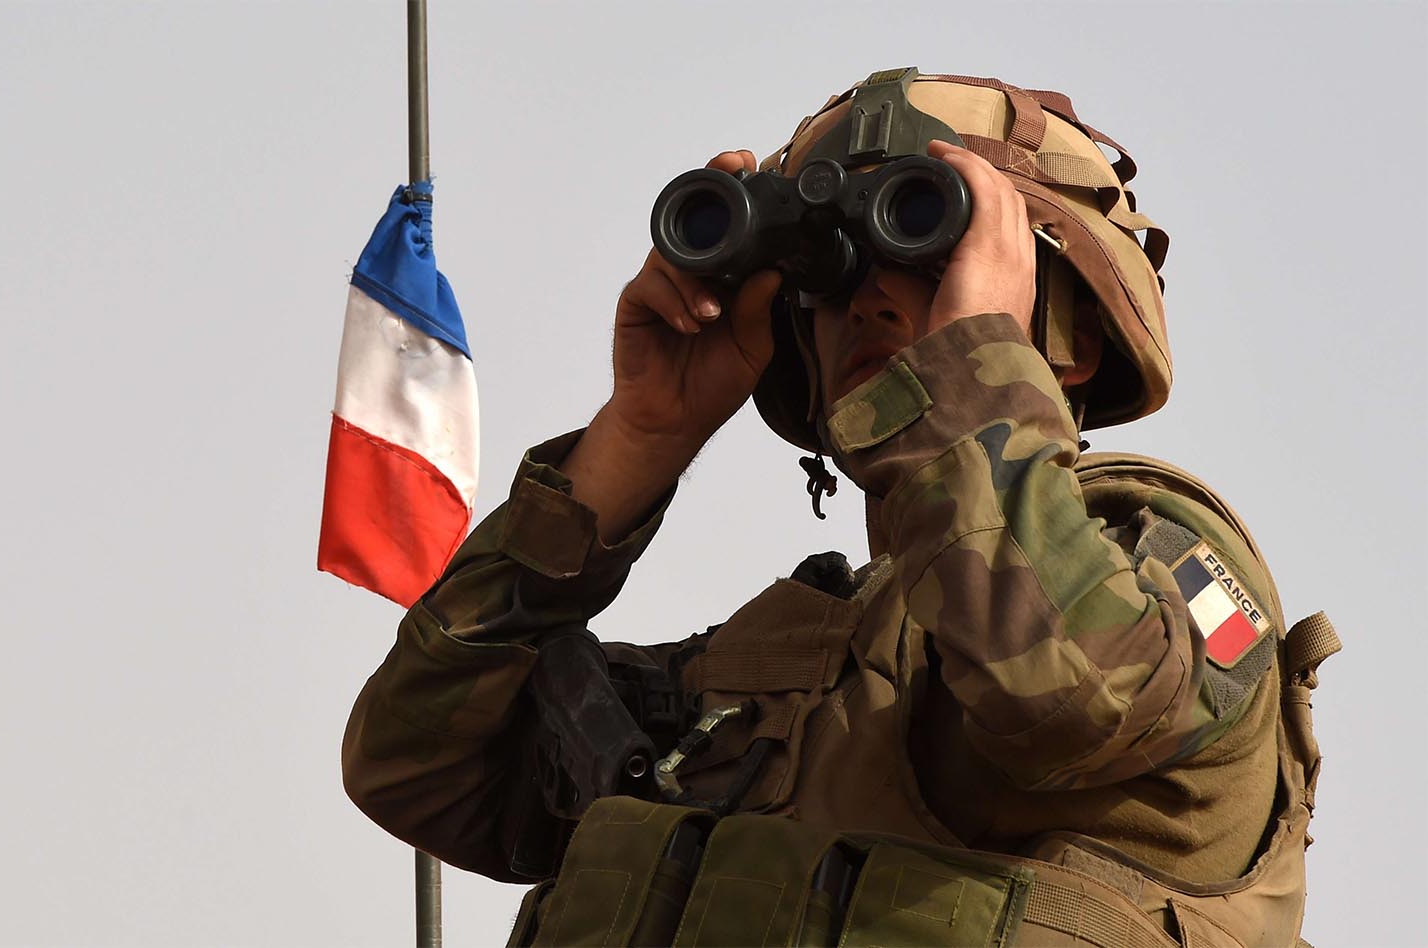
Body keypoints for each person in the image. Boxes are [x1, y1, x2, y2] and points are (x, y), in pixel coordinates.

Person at [342, 69, 1336, 947]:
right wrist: (639, 439)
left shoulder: (1176, 575)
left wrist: (977, 357)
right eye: (830, 270)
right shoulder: (768, 680)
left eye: (923, 236)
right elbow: (416, 760)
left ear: (1066, 323)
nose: (868, 297)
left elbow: (1064, 693)